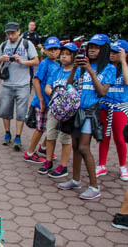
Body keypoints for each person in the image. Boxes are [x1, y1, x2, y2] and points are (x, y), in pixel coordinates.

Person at [58, 34, 116, 200]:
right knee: (75, 146)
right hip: (76, 110)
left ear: (103, 49)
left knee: (84, 147)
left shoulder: (109, 69)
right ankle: (76, 180)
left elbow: (102, 91)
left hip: (91, 112)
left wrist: (90, 70)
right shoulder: (81, 67)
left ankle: (94, 186)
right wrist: (76, 68)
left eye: (96, 47)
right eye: (91, 47)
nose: (92, 50)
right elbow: (68, 84)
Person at [0, 22, 39, 150]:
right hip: (7, 84)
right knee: (5, 111)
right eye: (8, 33)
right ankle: (7, 133)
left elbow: (36, 61)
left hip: (23, 84)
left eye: (13, 33)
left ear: (19, 31)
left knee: (21, 112)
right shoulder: (3, 45)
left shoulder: (27, 44)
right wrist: (1, 59)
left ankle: (18, 136)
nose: (10, 36)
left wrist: (22, 61)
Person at [41, 43, 78, 178]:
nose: (64, 56)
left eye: (68, 54)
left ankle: (63, 165)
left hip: (68, 112)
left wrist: (65, 99)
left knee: (65, 138)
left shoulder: (77, 71)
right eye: (62, 53)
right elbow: (47, 87)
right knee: (50, 135)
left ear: (74, 56)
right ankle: (48, 161)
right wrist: (56, 96)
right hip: (54, 108)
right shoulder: (57, 70)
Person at [24, 37, 61, 164]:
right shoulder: (44, 63)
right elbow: (36, 80)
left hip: (52, 102)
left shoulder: (57, 64)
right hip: (42, 103)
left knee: (53, 128)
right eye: (50, 49)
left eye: (55, 49)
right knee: (40, 128)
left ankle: (43, 147)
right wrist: (40, 99)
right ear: (44, 50)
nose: (53, 52)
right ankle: (29, 153)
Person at [97, 40, 128, 181]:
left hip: (119, 107)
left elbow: (127, 81)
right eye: (112, 51)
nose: (112, 54)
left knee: (120, 138)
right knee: (104, 137)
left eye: (117, 52)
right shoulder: (106, 67)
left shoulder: (125, 67)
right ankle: (102, 164)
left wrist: (123, 61)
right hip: (104, 106)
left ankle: (123, 166)